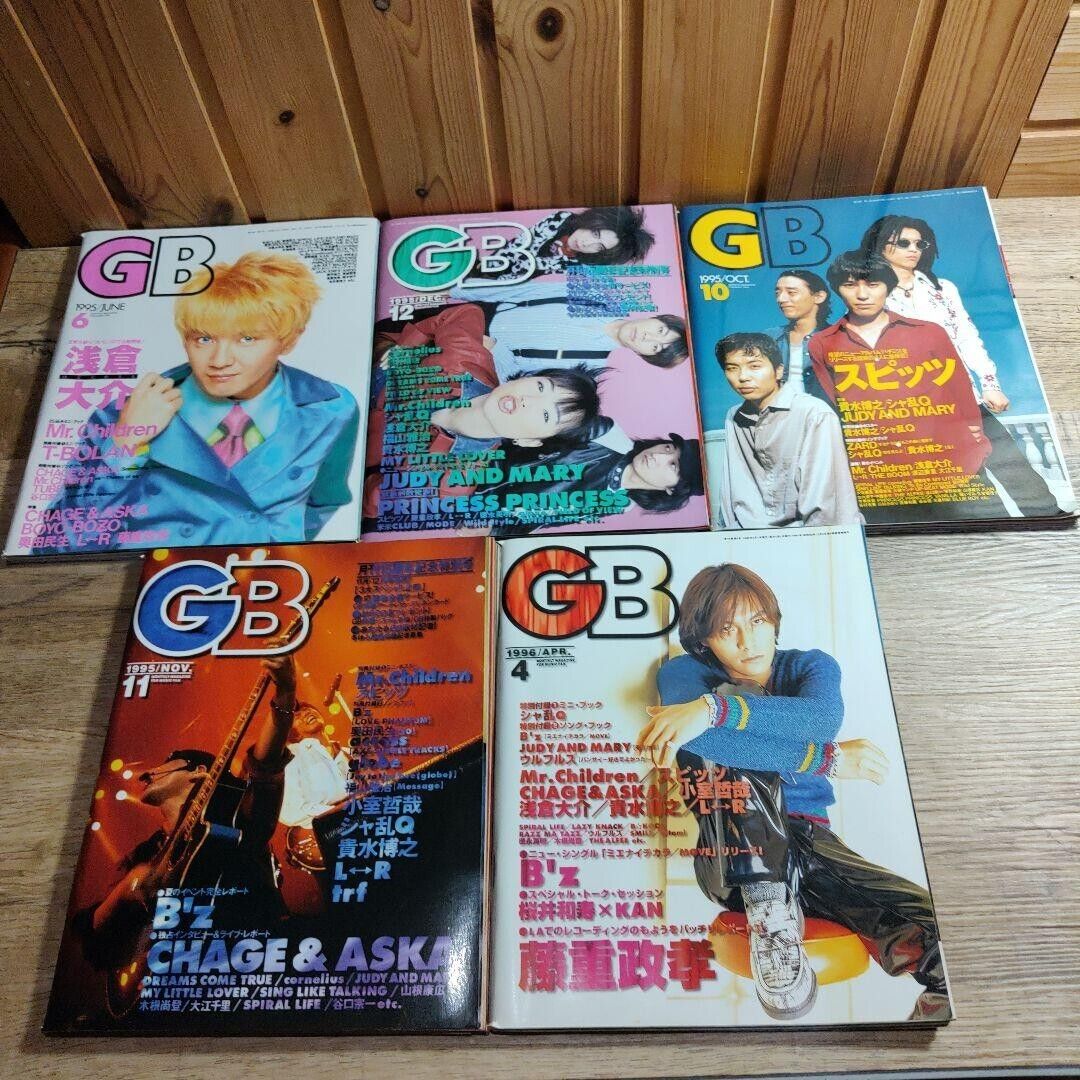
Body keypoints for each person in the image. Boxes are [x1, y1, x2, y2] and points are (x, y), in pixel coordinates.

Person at [636, 564, 949, 1022]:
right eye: (727, 629)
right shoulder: (684, 673)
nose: (748, 641)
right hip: (729, 851)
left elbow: (820, 721)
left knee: (938, 935)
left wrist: (713, 710)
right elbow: (699, 741)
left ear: (774, 621)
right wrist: (827, 761)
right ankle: (767, 908)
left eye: (758, 621)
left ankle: (926, 1028)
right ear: (704, 640)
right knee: (732, 710)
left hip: (810, 843)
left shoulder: (811, 666)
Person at [43, 252, 360, 553]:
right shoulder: (123, 414)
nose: (219, 360)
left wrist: (277, 541)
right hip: (162, 580)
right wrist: (127, 441)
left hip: (266, 581)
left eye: (247, 339)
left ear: (289, 339)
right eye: (204, 339)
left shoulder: (332, 408)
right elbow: (61, 543)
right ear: (185, 339)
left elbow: (325, 500)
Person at [73, 652, 299, 974]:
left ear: (199, 773)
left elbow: (264, 768)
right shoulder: (145, 853)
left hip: (255, 963)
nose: (148, 772)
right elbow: (99, 950)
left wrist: (285, 694)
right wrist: (129, 888)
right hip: (179, 978)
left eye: (167, 763)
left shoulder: (231, 821)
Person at [860, 214, 1063, 516]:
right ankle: (996, 526)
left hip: (964, 395)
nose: (913, 249)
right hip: (918, 405)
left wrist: (990, 384)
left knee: (1010, 461)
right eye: (903, 242)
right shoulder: (868, 294)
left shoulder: (942, 289)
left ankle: (1049, 517)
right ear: (880, 245)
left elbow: (967, 336)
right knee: (968, 477)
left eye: (919, 243)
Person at [808, 250, 1006, 523]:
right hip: (880, 473)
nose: (862, 294)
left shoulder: (929, 331)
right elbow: (834, 403)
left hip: (950, 463)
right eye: (850, 284)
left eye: (873, 284)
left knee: (986, 532)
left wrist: (975, 443)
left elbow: (959, 390)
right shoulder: (821, 343)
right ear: (837, 289)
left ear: (888, 287)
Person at [363, 304, 604, 526]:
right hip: (368, 365)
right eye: (541, 386)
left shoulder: (451, 483)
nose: (528, 400)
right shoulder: (467, 358)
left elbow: (369, 500)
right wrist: (407, 346)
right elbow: (467, 313)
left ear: (529, 441)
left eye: (545, 415)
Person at [717, 332, 860, 528]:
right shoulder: (734, 416)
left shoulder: (814, 413)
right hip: (746, 536)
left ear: (778, 371)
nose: (743, 377)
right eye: (732, 368)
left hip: (805, 536)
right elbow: (731, 491)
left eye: (754, 366)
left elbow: (828, 504)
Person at [447, 280, 688, 380]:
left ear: (645, 355)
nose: (647, 336)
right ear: (655, 317)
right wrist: (453, 289)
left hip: (475, 354)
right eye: (660, 330)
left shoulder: (589, 366)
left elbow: (519, 378)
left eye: (655, 347)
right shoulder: (591, 294)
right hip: (472, 311)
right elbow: (516, 290)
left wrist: (493, 349)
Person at [479, 434, 705, 534]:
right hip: (478, 475)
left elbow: (545, 520)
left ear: (671, 490)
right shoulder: (606, 440)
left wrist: (493, 530)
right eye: (668, 448)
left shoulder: (621, 505)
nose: (658, 455)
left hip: (481, 516)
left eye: (673, 465)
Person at [464, 205, 655, 284]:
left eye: (599, 247)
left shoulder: (580, 264)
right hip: (493, 262)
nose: (586, 243)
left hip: (505, 284)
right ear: (594, 220)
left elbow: (528, 270)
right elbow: (519, 248)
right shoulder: (561, 218)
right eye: (595, 233)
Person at [280, 701, 349, 831]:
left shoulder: (349, 753)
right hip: (328, 831)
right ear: (290, 732)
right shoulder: (292, 757)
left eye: (307, 708)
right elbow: (289, 811)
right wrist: (339, 813)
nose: (305, 713)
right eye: (297, 716)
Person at [766, 269, 832, 396]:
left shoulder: (838, 338)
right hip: (777, 407)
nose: (781, 299)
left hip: (821, 407)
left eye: (791, 292)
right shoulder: (769, 337)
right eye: (777, 293)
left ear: (819, 297)